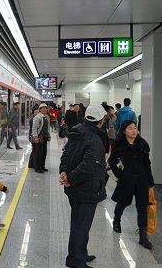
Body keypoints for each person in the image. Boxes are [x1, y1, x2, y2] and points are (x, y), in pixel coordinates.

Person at [59, 104, 107, 268]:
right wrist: (70, 178)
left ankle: (81, 253)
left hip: (75, 188)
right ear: (100, 122)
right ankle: (76, 261)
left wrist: (64, 172)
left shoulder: (77, 131)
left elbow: (65, 153)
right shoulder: (95, 139)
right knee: (81, 225)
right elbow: (88, 166)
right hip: (86, 188)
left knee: (80, 223)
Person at [109, 120, 155, 250]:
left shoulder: (142, 144)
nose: (134, 131)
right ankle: (116, 219)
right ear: (124, 131)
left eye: (135, 128)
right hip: (126, 179)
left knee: (142, 207)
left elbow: (147, 164)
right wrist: (121, 175)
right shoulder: (119, 145)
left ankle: (143, 236)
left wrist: (150, 181)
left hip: (142, 180)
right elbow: (112, 163)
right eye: (130, 128)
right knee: (123, 202)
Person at [31, 103, 50, 173]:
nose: (45, 109)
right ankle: (37, 167)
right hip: (39, 137)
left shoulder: (46, 117)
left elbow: (47, 128)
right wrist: (35, 137)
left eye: (46, 108)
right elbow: (34, 128)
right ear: (40, 109)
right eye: (44, 108)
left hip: (44, 137)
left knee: (44, 153)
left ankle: (42, 166)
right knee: (38, 153)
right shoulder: (37, 117)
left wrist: (49, 136)